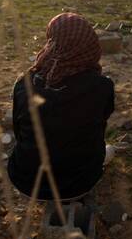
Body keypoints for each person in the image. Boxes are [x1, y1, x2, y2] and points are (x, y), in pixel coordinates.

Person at [8, 13, 114, 201]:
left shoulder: (23, 84)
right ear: (90, 44)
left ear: (52, 41)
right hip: (80, 184)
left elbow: (18, 131)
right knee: (108, 149)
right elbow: (102, 121)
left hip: (27, 183)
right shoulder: (102, 86)